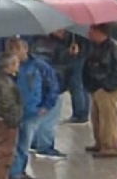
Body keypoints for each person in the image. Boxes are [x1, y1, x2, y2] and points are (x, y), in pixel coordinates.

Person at [8, 38, 59, 179]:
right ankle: (15, 172)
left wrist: (46, 106)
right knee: (13, 144)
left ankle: (18, 171)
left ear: (26, 48)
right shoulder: (6, 68)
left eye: (17, 49)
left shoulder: (39, 66)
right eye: (11, 49)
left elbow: (52, 86)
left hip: (31, 111)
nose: (15, 52)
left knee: (24, 144)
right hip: (10, 113)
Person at [83, 23, 117, 158]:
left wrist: (106, 86)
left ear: (99, 32)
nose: (89, 33)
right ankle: (100, 142)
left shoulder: (114, 48)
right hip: (96, 87)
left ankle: (110, 146)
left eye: (92, 30)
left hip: (106, 89)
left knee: (108, 118)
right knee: (97, 117)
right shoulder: (95, 46)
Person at [30, 29, 72, 158]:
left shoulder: (36, 43)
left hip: (40, 86)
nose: (64, 31)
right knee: (50, 118)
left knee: (40, 116)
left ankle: (36, 142)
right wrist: (69, 55)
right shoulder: (55, 47)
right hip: (53, 86)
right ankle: (45, 147)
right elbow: (58, 69)